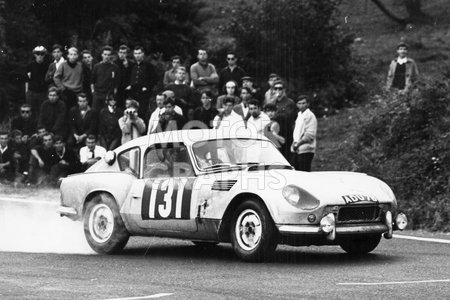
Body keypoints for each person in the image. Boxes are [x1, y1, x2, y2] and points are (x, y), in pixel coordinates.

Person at [126, 46, 158, 118]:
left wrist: (147, 87)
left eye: (139, 53)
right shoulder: (132, 66)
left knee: (141, 112)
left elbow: (154, 79)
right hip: (132, 92)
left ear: (143, 54)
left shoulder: (148, 66)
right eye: (136, 53)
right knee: (131, 111)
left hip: (143, 93)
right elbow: (127, 77)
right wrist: (129, 85)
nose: (137, 55)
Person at [291, 95, 317, 172]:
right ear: (296, 104)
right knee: (296, 172)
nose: (301, 105)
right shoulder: (299, 115)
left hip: (306, 149)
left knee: (304, 173)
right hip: (297, 149)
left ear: (307, 104)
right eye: (299, 103)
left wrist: (298, 144)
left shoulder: (310, 116)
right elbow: (297, 132)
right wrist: (294, 143)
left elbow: (310, 135)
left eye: (303, 103)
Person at [272, 80, 297, 159]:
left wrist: (274, 116)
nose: (278, 91)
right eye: (275, 89)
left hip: (286, 133)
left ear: (284, 90)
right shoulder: (273, 103)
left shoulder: (289, 102)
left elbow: (287, 116)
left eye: (280, 88)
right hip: (274, 133)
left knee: (286, 158)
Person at [91, 45, 120, 111]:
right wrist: (93, 92)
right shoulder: (96, 66)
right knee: (94, 113)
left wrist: (113, 95)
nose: (107, 56)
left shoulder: (115, 68)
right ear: (102, 55)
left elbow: (116, 84)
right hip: (97, 94)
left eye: (108, 55)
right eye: (105, 54)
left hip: (108, 95)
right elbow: (92, 81)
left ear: (111, 56)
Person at [26, 45, 50, 118]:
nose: (40, 56)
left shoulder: (47, 66)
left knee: (42, 113)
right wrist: (26, 93)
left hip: (43, 93)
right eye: (37, 54)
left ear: (44, 55)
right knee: (31, 113)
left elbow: (49, 80)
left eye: (42, 54)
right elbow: (27, 80)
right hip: (31, 93)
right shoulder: (30, 65)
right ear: (34, 55)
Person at [114, 45, 133, 109]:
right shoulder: (114, 63)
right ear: (118, 53)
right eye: (121, 52)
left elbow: (131, 76)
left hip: (127, 89)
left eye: (124, 53)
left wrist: (127, 67)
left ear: (127, 54)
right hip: (117, 89)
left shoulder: (131, 64)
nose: (122, 54)